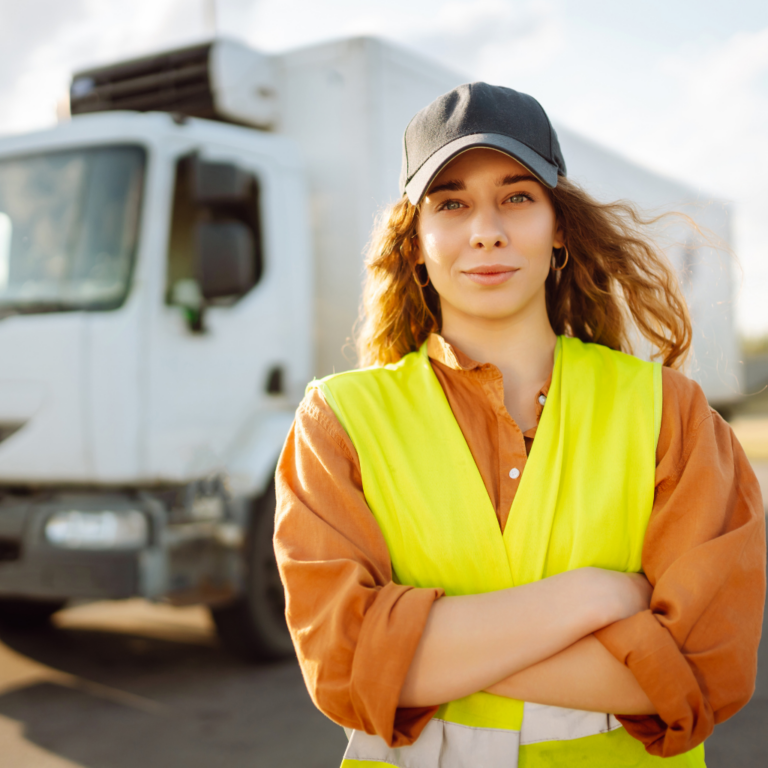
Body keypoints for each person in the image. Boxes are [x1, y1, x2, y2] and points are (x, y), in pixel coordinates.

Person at [274, 83, 765, 767]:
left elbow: (703, 672)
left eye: (517, 196)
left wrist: (414, 659)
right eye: (451, 203)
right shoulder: (338, 424)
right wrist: (592, 597)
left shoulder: (670, 413)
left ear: (558, 224)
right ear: (415, 241)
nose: (487, 229)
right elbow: (341, 668)